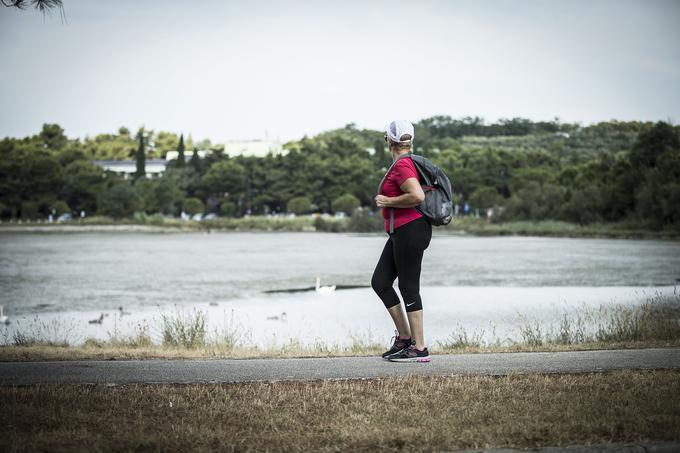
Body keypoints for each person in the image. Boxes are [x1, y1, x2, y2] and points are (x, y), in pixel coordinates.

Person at [372, 120, 432, 363]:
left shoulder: (403, 165)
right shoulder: (403, 163)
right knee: (381, 282)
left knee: (408, 287)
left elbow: (416, 195)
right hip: (402, 231)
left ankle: (419, 348)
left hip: (410, 230)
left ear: (389, 140)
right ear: (410, 141)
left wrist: (388, 202)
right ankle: (405, 338)